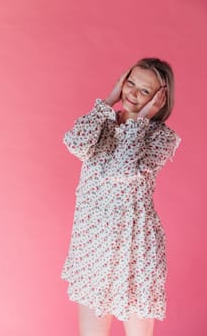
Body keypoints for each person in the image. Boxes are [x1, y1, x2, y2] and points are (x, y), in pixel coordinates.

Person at [61, 57, 181, 336]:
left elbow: (121, 170)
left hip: (135, 246)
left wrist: (140, 121)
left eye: (144, 91)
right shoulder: (102, 123)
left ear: (159, 99)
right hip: (92, 244)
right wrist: (108, 100)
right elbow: (74, 143)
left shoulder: (159, 138)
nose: (133, 93)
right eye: (131, 83)